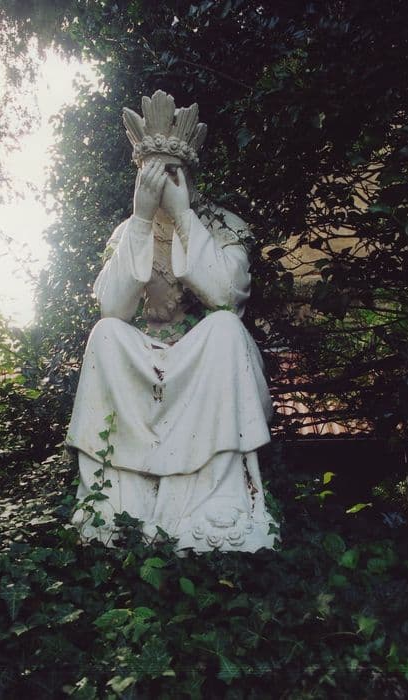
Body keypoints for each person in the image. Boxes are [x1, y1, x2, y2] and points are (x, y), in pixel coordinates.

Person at [66, 90, 276, 552]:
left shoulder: (223, 226)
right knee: (105, 335)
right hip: (147, 355)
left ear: (189, 175)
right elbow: (112, 309)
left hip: (206, 355)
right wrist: (141, 220)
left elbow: (226, 298)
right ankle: (116, 503)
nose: (160, 182)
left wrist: (182, 216)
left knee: (225, 328)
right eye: (151, 172)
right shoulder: (128, 231)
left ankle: (215, 500)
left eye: (171, 172)